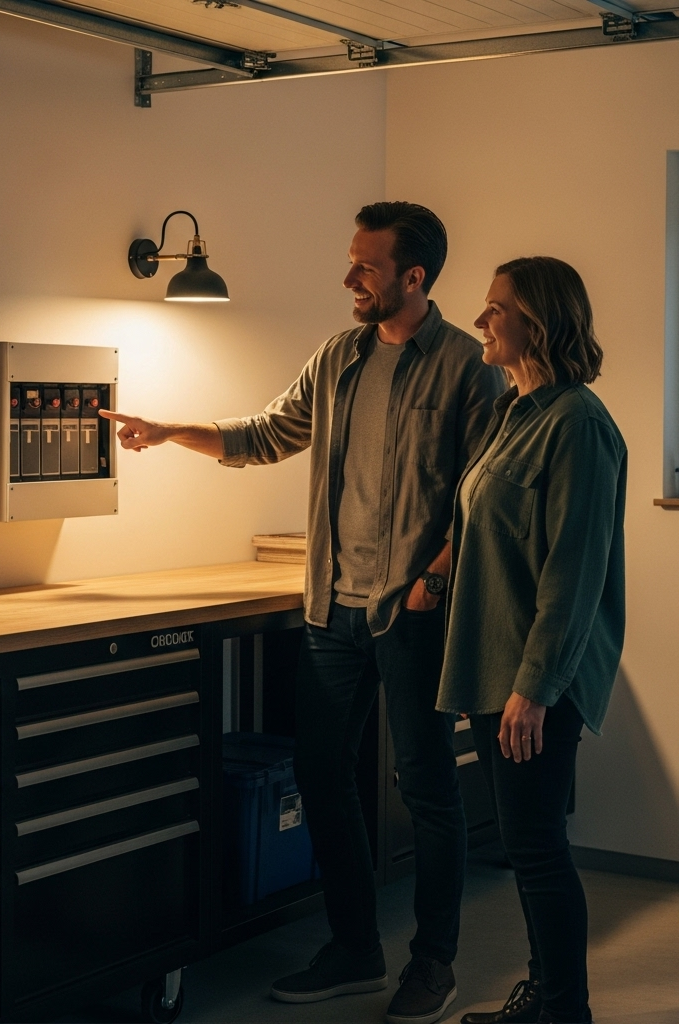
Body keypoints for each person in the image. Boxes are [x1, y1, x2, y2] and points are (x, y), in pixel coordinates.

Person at [101, 202, 505, 1024]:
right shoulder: (339, 356)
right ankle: (356, 948)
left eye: (366, 265)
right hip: (331, 611)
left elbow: (482, 496)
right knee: (323, 776)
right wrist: (166, 430)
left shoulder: (469, 367)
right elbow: (267, 433)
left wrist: (433, 577)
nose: (349, 277)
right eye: (352, 261)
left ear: (413, 277)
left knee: (428, 790)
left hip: (414, 613)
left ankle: (434, 962)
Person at [438, 258, 626, 1024]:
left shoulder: (578, 423)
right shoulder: (518, 414)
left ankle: (563, 1010)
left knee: (539, 850)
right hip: (494, 666)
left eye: (495, 309)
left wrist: (535, 689)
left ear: (537, 323)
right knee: (527, 847)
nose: (482, 320)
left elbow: (572, 573)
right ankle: (546, 996)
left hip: (532, 679)